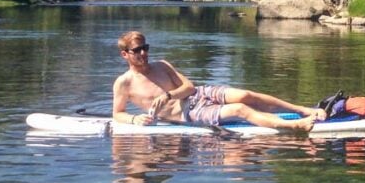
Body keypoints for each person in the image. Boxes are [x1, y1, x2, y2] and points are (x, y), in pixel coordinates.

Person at [112, 31, 326, 131]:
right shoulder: (124, 83)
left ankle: (303, 109)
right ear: (125, 55)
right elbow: (117, 113)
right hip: (189, 114)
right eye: (137, 50)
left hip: (198, 95)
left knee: (244, 95)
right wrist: (134, 120)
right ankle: (293, 125)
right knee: (240, 109)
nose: (143, 53)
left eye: (145, 48)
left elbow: (189, 87)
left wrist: (168, 95)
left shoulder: (162, 65)